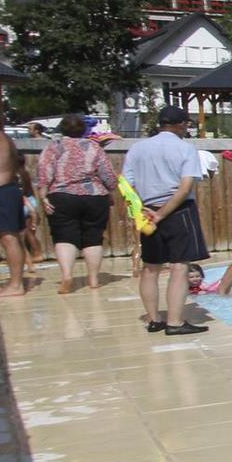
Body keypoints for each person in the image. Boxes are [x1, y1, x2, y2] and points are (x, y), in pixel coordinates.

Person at [120, 107, 210, 333]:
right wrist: (162, 214)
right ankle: (175, 322)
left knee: (150, 268)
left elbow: (125, 185)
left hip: (147, 210)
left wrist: (142, 212)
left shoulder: (137, 149)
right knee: (180, 267)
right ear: (180, 125)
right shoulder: (185, 149)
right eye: (186, 125)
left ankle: (154, 320)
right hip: (178, 212)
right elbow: (185, 186)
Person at [35, 114, 117, 294]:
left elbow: (44, 173)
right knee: (93, 237)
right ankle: (94, 279)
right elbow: (108, 175)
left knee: (64, 236)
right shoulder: (94, 147)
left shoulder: (53, 147)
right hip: (94, 196)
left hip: (62, 195)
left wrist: (43, 196)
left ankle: (67, 275)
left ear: (62, 129)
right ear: (83, 130)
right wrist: (111, 191)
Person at [0, 124, 29, 297]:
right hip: (5, 190)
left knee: (8, 239)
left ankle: (16, 285)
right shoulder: (3, 136)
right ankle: (16, 283)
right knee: (11, 238)